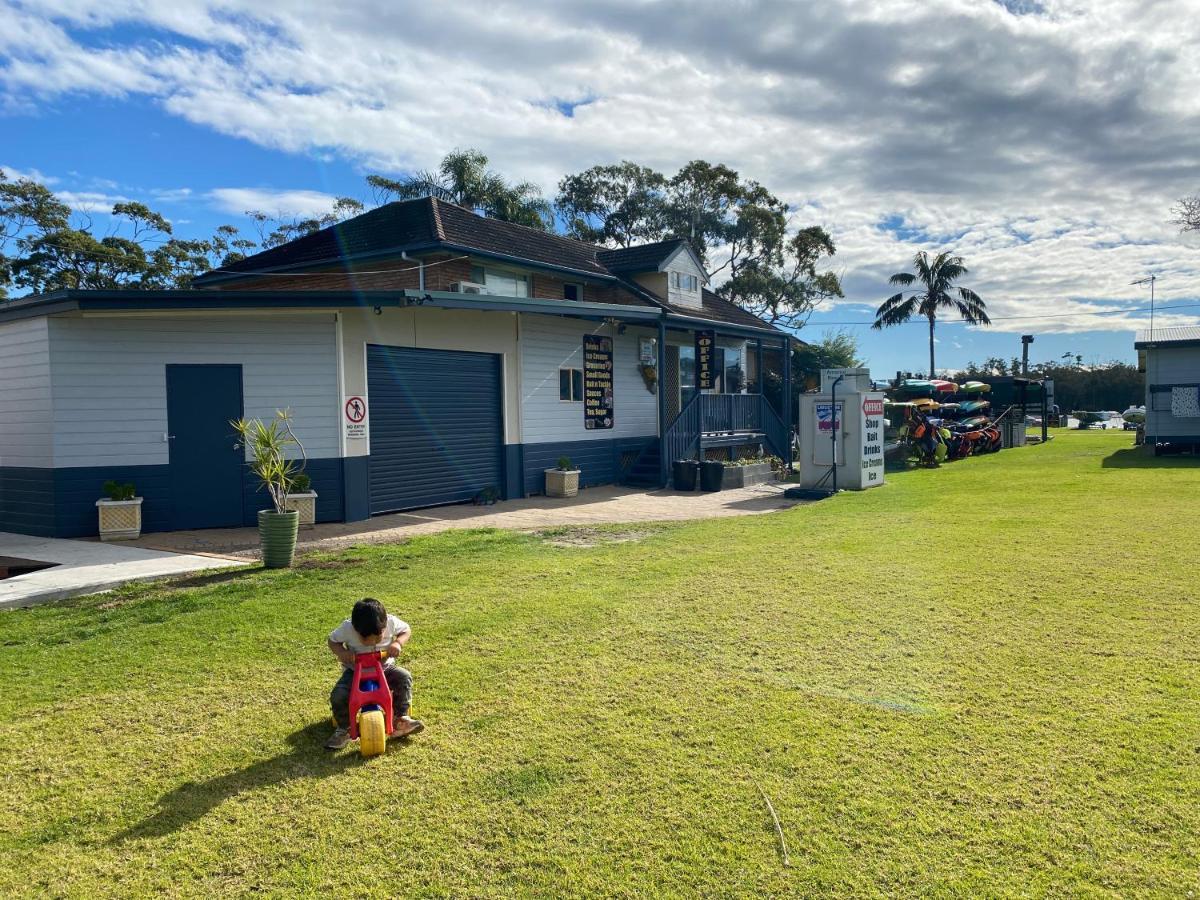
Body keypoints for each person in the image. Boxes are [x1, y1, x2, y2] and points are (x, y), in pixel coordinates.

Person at [325, 597, 424, 750]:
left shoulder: (391, 622)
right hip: (355, 671)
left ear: (385, 625)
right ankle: (345, 728)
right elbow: (332, 641)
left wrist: (398, 643)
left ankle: (400, 718)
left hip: (385, 669)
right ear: (355, 629)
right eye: (365, 639)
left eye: (378, 638)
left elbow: (406, 630)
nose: (372, 642)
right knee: (338, 695)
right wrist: (342, 652)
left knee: (404, 677)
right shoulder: (347, 628)